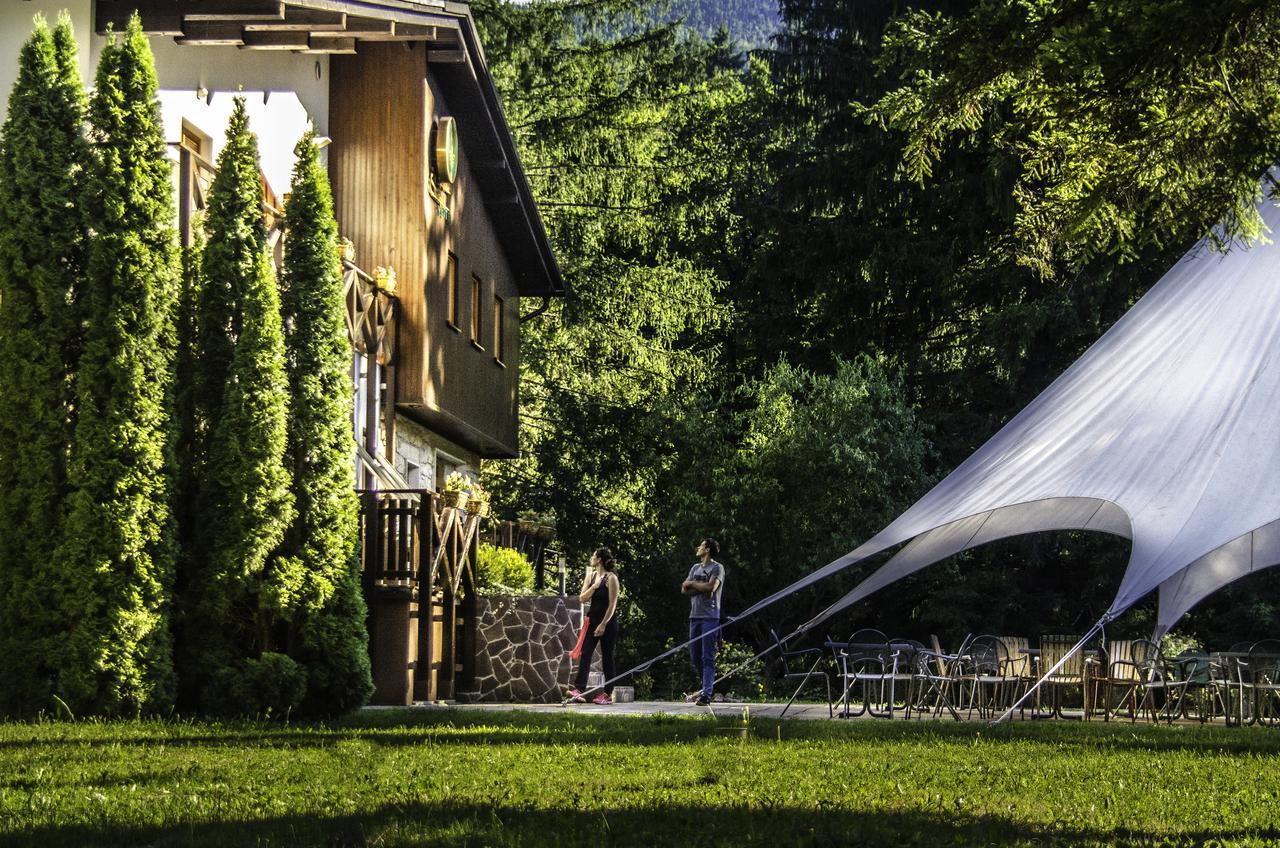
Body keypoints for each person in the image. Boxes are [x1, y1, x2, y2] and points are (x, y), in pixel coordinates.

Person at [568, 547, 620, 705]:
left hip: (608, 622)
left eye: (593, 556)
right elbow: (582, 598)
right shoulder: (590, 577)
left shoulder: (611, 578)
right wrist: (594, 586)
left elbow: (612, 604)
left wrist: (603, 624)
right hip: (592, 621)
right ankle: (579, 690)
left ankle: (607, 694)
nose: (591, 558)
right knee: (586, 653)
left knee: (607, 658)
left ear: (599, 559)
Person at [682, 538, 724, 706]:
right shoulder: (695, 568)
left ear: (707, 549)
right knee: (695, 656)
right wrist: (698, 586)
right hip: (695, 616)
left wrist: (692, 584)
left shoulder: (717, 568)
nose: (698, 547)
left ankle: (706, 694)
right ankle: (706, 687)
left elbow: (711, 588)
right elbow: (684, 590)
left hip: (710, 617)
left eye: (701, 545)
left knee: (707, 657)